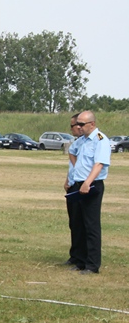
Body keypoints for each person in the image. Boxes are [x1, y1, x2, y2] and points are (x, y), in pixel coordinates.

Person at [66, 110, 111, 274]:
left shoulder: (100, 140)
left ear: (92, 124)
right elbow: (72, 151)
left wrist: (87, 182)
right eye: (77, 124)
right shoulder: (82, 141)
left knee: (91, 226)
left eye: (81, 124)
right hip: (79, 185)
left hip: (91, 186)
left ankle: (92, 265)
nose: (78, 127)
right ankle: (80, 260)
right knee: (78, 224)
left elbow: (99, 164)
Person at [63, 114, 85, 267]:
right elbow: (72, 166)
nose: (71, 129)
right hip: (72, 184)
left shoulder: (87, 143)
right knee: (73, 222)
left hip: (81, 185)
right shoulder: (77, 143)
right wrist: (67, 180)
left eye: (72, 126)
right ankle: (75, 255)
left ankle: (82, 256)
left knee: (80, 222)